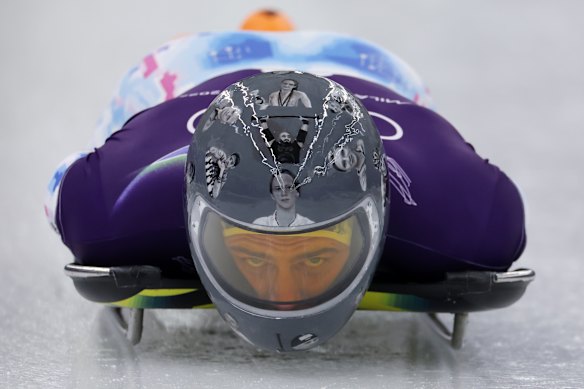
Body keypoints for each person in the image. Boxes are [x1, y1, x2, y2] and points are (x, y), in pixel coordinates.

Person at [46, 12, 526, 351]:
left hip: (205, 63)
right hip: (219, 67)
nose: (284, 293)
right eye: (253, 254)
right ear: (193, 216)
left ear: (377, 218)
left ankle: (265, 23)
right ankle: (270, 23)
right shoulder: (476, 223)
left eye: (316, 254)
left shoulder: (105, 210)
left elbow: (61, 179)